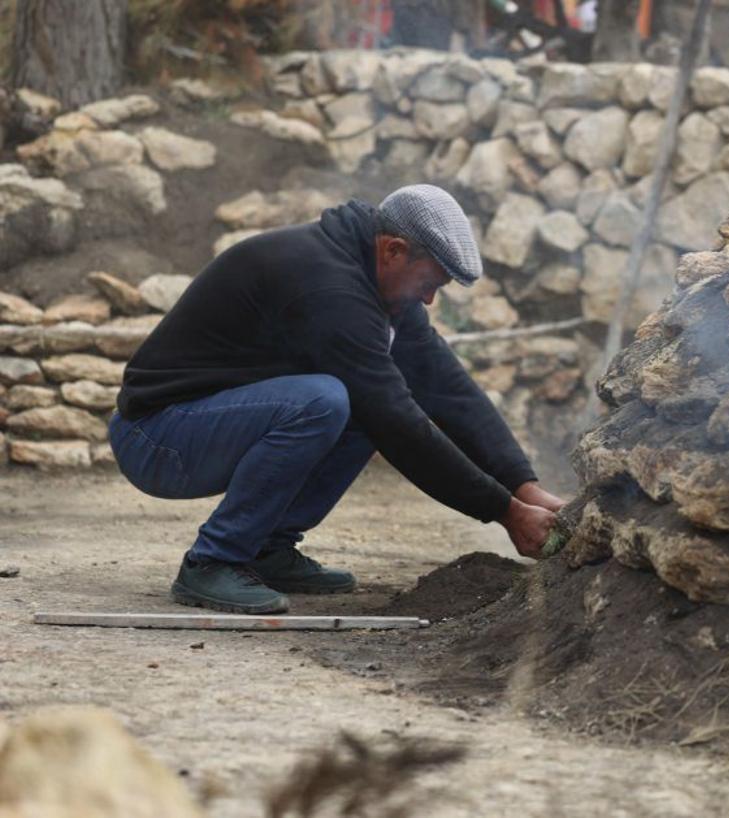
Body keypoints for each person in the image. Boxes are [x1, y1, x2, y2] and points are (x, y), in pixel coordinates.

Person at [108, 185, 564, 615]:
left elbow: (445, 386)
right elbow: (399, 423)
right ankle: (212, 561)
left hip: (200, 425)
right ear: (393, 250)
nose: (427, 298)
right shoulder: (329, 287)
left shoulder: (375, 282)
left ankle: (266, 548)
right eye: (430, 283)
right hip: (157, 436)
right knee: (325, 401)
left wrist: (523, 486)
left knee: (355, 405)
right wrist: (503, 511)